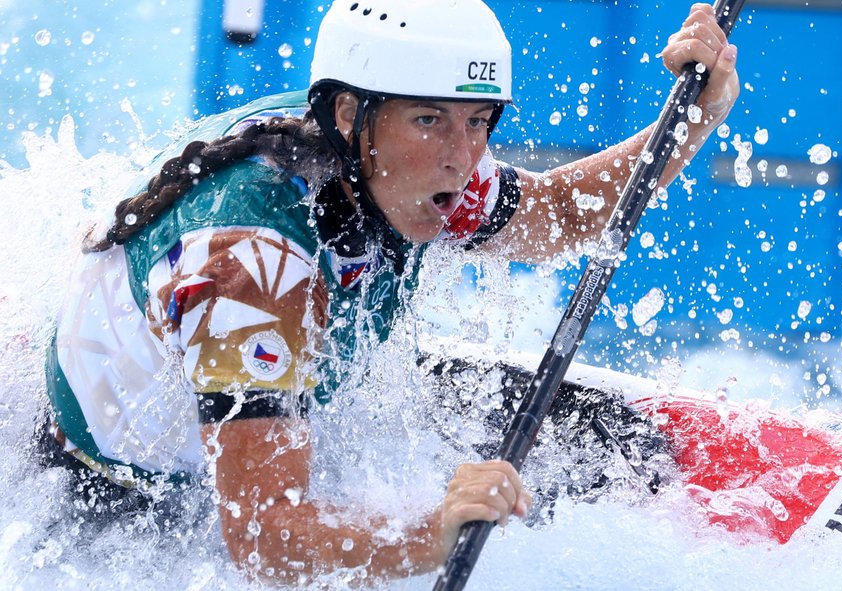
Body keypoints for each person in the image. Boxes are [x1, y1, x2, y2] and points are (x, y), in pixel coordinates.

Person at [41, 0, 739, 584]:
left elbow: (555, 216)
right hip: (118, 502)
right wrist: (428, 535)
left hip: (262, 415)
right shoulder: (252, 264)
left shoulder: (401, 160)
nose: (463, 157)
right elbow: (262, 534)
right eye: (431, 119)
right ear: (348, 114)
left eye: (477, 120)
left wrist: (693, 118)